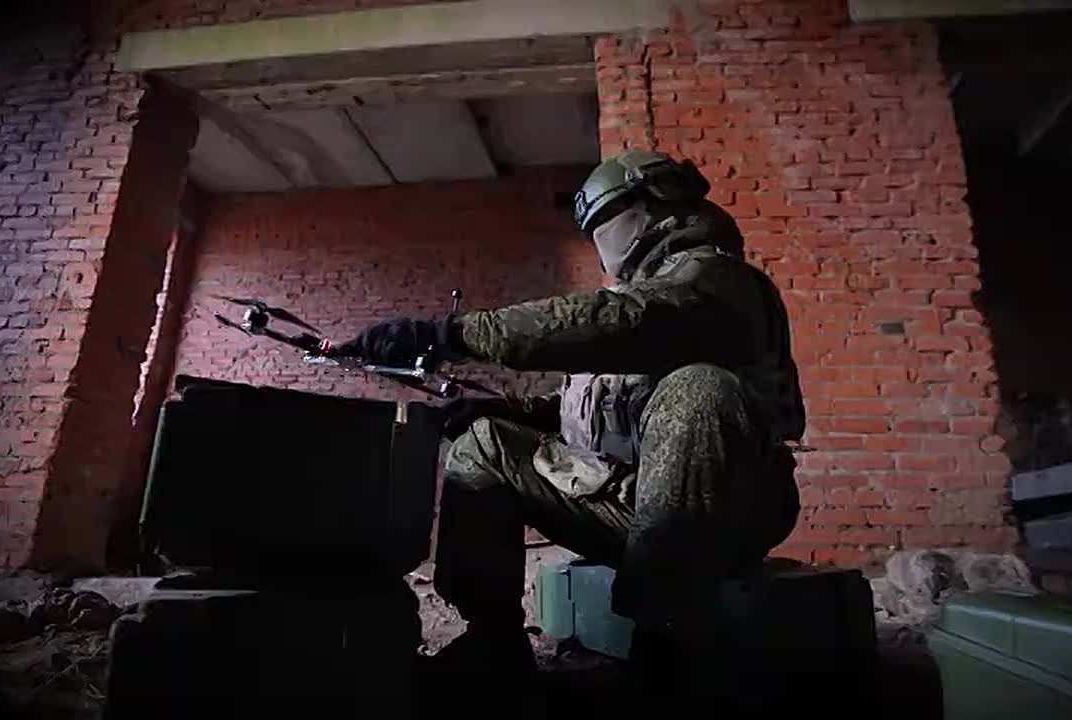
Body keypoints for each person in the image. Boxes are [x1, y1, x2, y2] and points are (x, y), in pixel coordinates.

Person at [338, 150, 804, 686]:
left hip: (731, 513)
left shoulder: (720, 283)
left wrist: (452, 336)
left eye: (610, 218)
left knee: (700, 389)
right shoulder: (638, 297)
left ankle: (667, 643)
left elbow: (630, 322)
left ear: (659, 203)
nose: (604, 238)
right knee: (484, 444)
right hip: (630, 504)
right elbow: (598, 407)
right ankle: (492, 642)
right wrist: (502, 410)